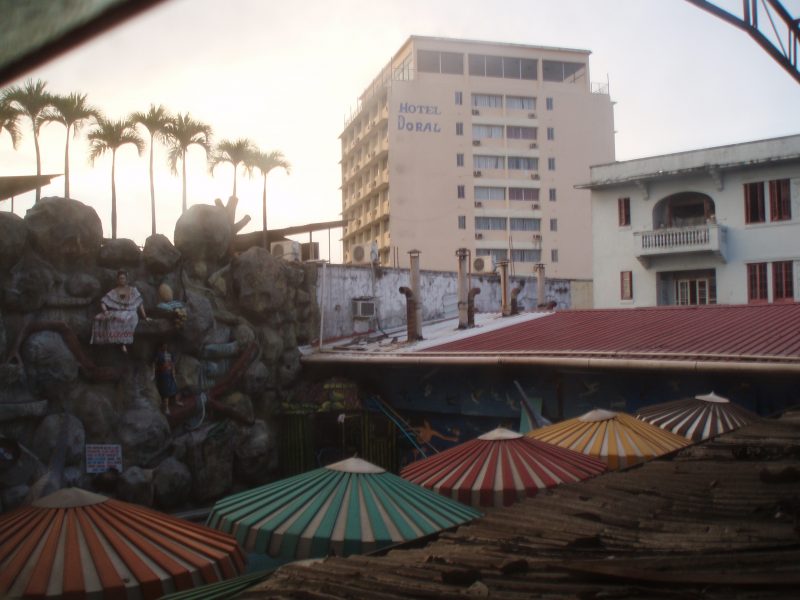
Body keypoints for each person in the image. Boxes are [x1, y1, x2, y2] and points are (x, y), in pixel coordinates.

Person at [91, 270, 148, 353]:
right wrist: (105, 311)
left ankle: (123, 343)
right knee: (102, 318)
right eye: (120, 278)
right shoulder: (114, 291)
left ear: (127, 279)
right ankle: (104, 341)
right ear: (117, 280)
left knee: (127, 319)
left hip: (131, 311)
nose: (122, 280)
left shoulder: (133, 290)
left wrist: (145, 317)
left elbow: (140, 303)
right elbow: (103, 301)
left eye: (124, 278)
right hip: (118, 311)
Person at [153, 342, 182, 414]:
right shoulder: (159, 354)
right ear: (161, 346)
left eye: (166, 345)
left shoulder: (170, 354)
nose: (165, 346)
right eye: (164, 345)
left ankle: (177, 401)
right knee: (166, 392)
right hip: (163, 375)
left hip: (170, 374)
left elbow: (172, 365)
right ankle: (166, 408)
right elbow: (154, 364)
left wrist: (174, 374)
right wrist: (153, 373)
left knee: (175, 388)